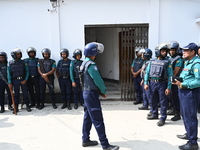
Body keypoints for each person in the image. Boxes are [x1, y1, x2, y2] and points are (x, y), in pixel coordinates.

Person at [81, 42, 119, 150]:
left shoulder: (84, 63)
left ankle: (85, 139)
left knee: (87, 117)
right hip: (92, 94)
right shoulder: (92, 66)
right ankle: (105, 145)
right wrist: (103, 90)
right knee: (98, 120)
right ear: (93, 53)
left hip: (86, 92)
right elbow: (98, 80)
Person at [173, 43, 200, 150]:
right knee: (184, 115)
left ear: (193, 52)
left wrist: (183, 84)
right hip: (184, 92)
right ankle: (189, 134)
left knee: (190, 117)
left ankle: (193, 142)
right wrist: (179, 81)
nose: (183, 52)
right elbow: (188, 77)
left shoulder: (197, 63)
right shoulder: (188, 62)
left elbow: (198, 81)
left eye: (186, 50)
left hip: (190, 93)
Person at [144, 43, 173, 126]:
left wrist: (169, 87)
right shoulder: (152, 61)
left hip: (162, 83)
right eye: (163, 51)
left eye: (165, 51)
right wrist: (146, 83)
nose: (164, 53)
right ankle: (154, 114)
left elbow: (170, 75)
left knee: (163, 101)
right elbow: (147, 72)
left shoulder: (167, 62)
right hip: (152, 83)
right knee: (153, 100)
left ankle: (163, 118)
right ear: (158, 52)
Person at [7, 48, 31, 112]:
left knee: (25, 93)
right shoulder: (10, 63)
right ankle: (16, 107)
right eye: (17, 54)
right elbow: (8, 73)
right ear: (13, 55)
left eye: (20, 54)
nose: (19, 55)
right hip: (15, 80)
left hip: (23, 79)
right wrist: (9, 82)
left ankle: (27, 106)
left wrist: (25, 79)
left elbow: (27, 71)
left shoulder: (23, 62)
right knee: (16, 94)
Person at [167, 41, 183, 121]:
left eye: (173, 50)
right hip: (170, 81)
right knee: (171, 97)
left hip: (175, 81)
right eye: (170, 50)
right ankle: (173, 110)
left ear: (177, 50)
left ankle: (177, 113)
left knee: (176, 98)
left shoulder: (178, 59)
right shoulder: (170, 58)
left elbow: (175, 72)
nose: (172, 51)